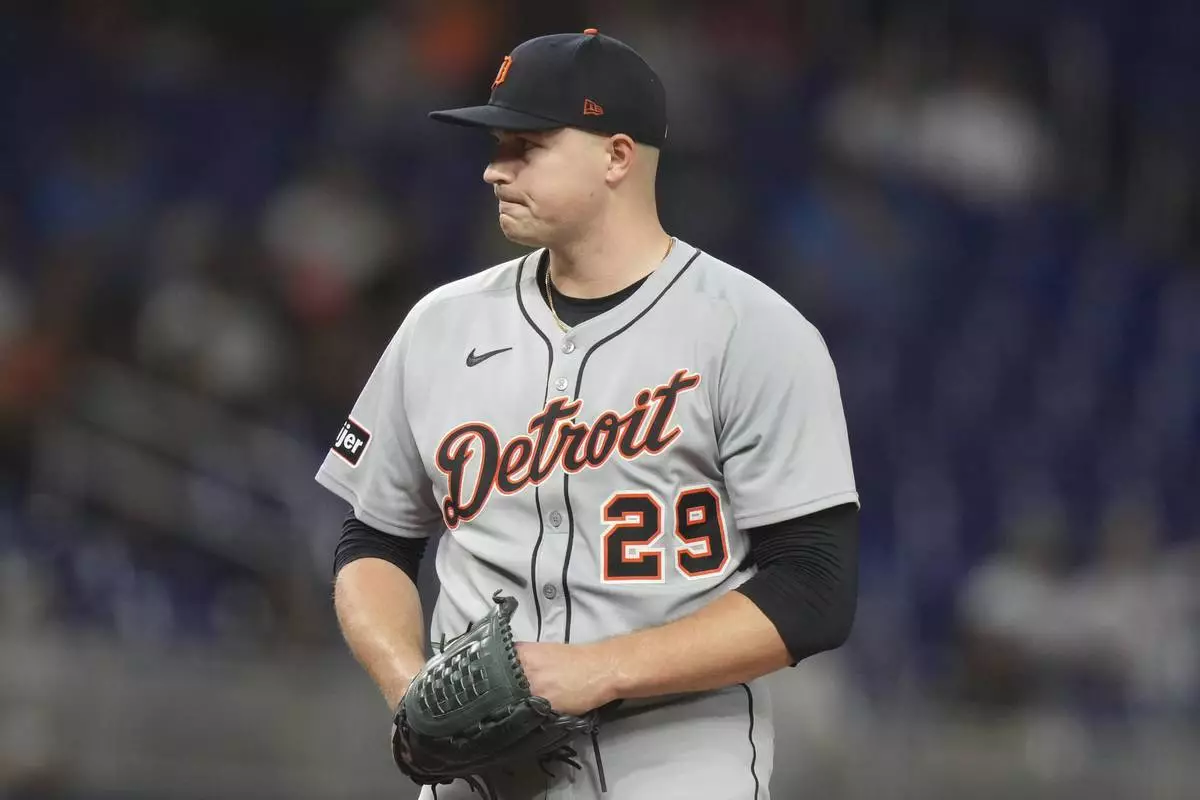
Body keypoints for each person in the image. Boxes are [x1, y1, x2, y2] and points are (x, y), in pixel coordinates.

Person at [317, 28, 860, 799]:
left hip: (678, 756)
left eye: (528, 146)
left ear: (617, 156)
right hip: (482, 769)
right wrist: (413, 693)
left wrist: (599, 670)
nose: (495, 168)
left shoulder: (752, 331)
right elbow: (373, 539)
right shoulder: (439, 325)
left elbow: (814, 590)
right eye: (497, 146)